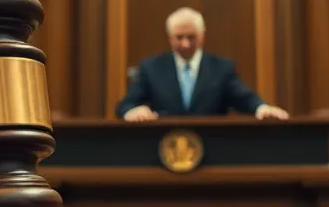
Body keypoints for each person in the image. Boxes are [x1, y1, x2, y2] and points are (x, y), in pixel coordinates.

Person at [115, 7, 288, 122]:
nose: (185, 44)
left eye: (191, 37)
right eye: (179, 37)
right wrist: (133, 112)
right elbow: (125, 105)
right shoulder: (151, 67)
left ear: (202, 36)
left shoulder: (221, 68)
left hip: (212, 149)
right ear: (169, 38)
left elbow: (244, 97)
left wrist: (262, 108)